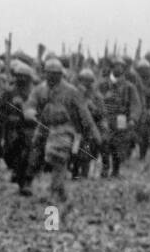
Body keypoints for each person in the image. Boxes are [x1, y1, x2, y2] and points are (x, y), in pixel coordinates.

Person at [26, 58, 100, 202]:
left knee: (58, 156)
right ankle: (58, 190)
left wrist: (94, 132)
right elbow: (30, 104)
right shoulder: (40, 89)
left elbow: (84, 113)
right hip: (43, 125)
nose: (52, 77)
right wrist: (30, 112)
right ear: (45, 74)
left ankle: (54, 190)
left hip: (64, 127)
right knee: (35, 152)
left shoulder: (71, 91)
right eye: (49, 74)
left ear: (61, 75)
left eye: (56, 74)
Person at [0, 61, 39, 194]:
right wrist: (7, 118)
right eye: (19, 76)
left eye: (24, 76)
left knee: (28, 154)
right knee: (10, 153)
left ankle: (26, 182)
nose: (21, 79)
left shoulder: (34, 92)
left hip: (29, 128)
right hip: (12, 128)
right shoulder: (8, 92)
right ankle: (17, 173)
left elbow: (41, 108)